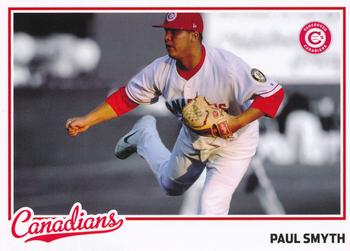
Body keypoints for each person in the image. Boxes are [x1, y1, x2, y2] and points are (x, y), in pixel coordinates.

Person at [66, 13, 284, 215]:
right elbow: (125, 98)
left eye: (175, 32)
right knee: (170, 186)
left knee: (211, 204)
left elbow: (273, 94)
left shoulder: (227, 66)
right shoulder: (160, 70)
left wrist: (236, 123)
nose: (167, 38)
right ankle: (144, 135)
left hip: (235, 142)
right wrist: (87, 120)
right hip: (193, 137)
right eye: (166, 31)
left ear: (194, 35)